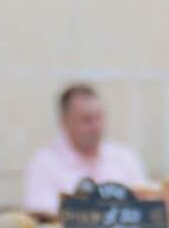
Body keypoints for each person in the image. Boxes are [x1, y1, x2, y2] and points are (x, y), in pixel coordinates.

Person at [23, 84, 148, 215]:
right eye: (86, 120)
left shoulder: (125, 158)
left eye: (99, 117)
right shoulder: (44, 163)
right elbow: (43, 216)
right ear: (65, 122)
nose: (96, 127)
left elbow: (145, 209)